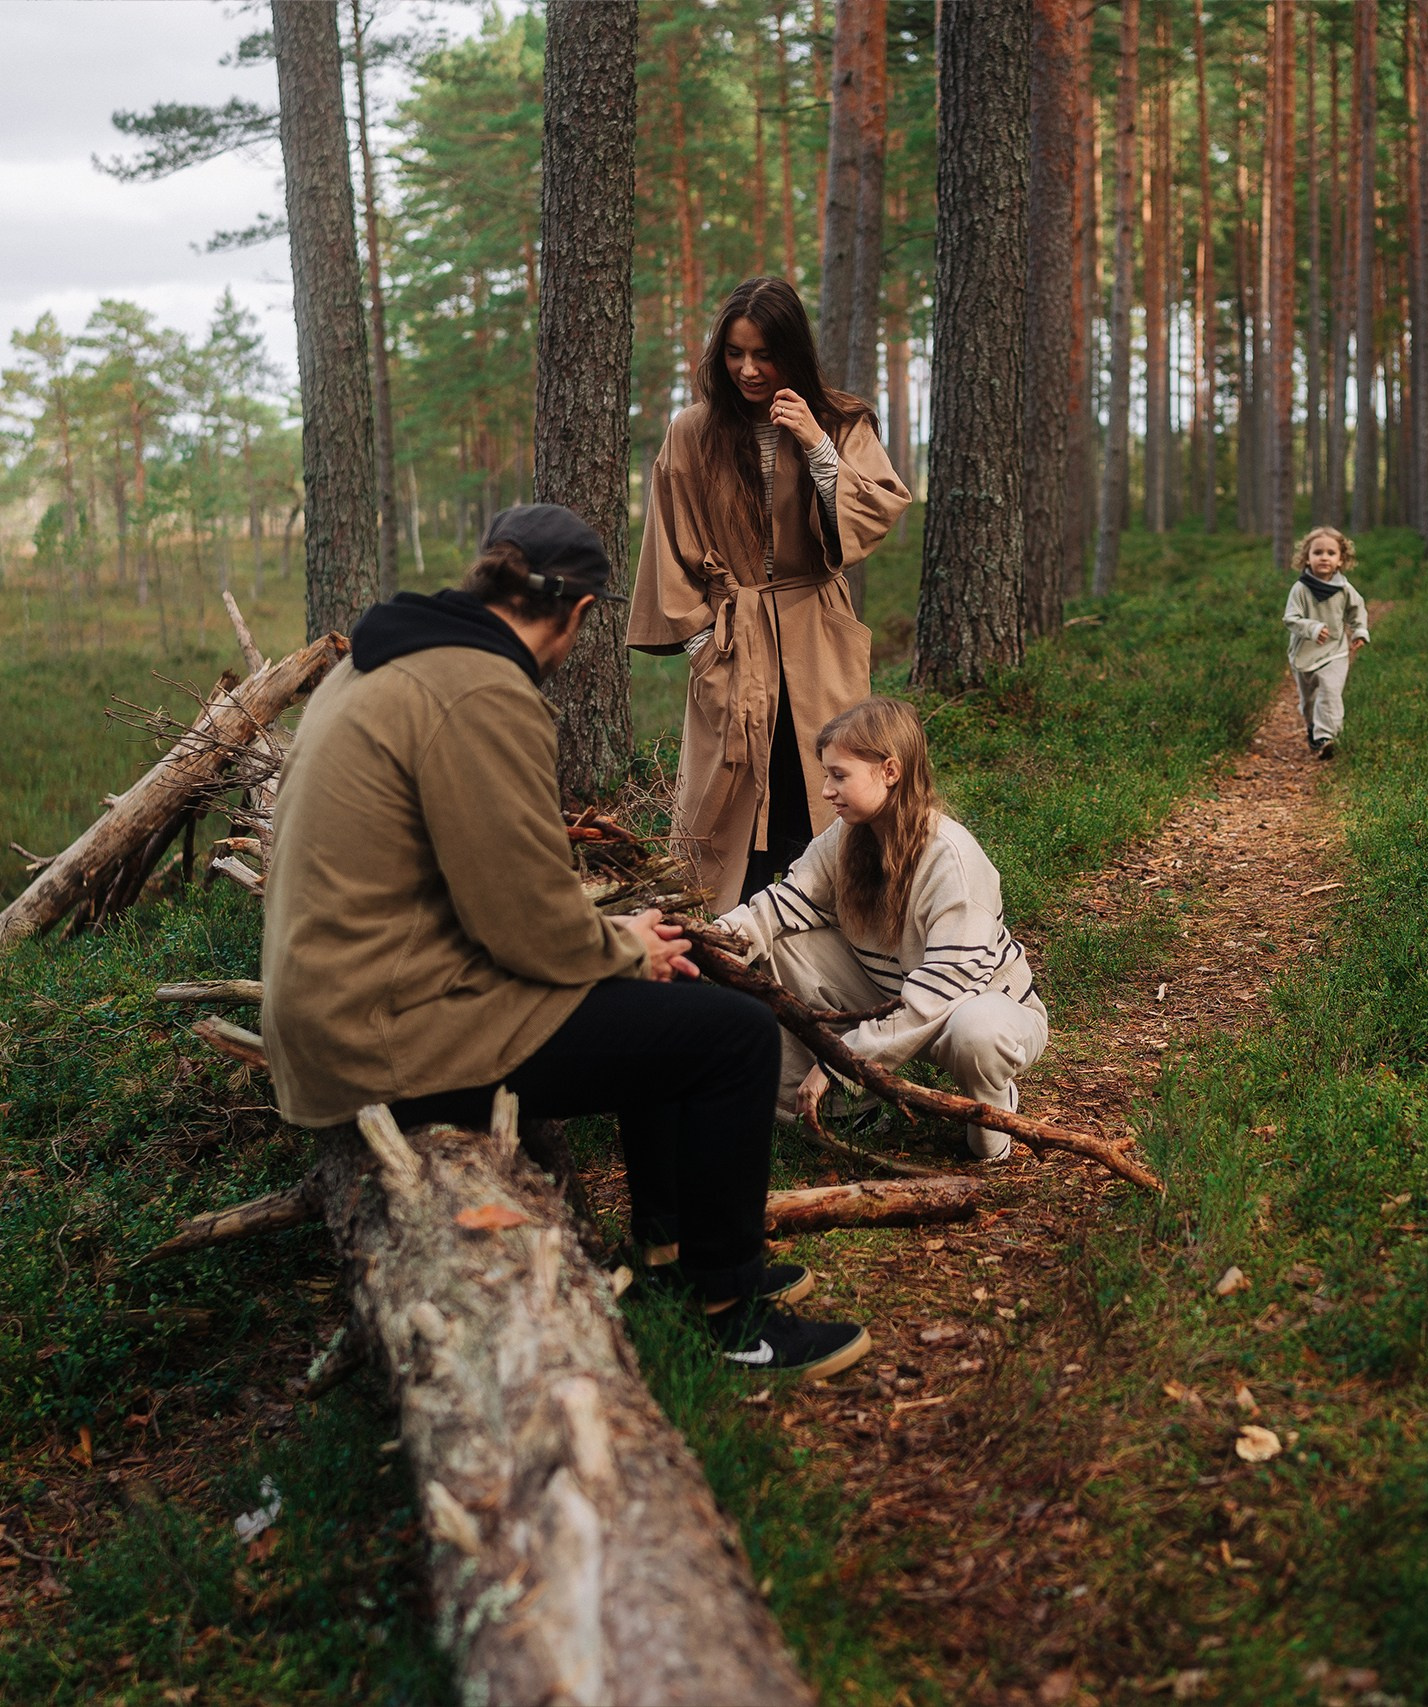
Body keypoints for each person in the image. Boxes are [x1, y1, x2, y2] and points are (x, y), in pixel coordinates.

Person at [259, 503, 870, 1381]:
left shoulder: (386, 660)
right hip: (389, 1037)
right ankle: (737, 1317)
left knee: (665, 992)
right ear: (579, 612)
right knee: (732, 1037)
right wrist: (624, 948)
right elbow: (524, 922)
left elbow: (488, 892)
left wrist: (618, 944)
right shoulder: (481, 690)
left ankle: (671, 1253)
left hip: (351, 1008)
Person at [627, 276, 913, 906]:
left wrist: (816, 444)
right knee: (733, 793)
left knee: (827, 781)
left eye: (763, 354)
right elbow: (667, 545)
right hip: (733, 639)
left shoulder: (839, 421)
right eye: (734, 353)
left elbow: (874, 514)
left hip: (818, 632)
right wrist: (702, 644)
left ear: (792, 351)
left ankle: (848, 923)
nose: (749, 370)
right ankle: (724, 933)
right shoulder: (692, 430)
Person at [713, 697, 1049, 1164]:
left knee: (978, 1033)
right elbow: (782, 904)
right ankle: (839, 1113)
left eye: (839, 775)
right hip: (892, 995)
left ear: (890, 771)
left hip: (971, 1009)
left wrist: (842, 1061)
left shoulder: (953, 860)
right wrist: (710, 943)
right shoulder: (846, 835)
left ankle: (993, 1119)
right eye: (826, 775)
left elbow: (940, 994)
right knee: (779, 946)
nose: (826, 790)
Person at [1281, 525, 1371, 759]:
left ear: (1340, 560)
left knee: (1330, 691)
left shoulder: (1344, 588)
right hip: (1304, 653)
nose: (1324, 557)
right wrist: (1312, 628)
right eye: (1317, 552)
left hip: (1335, 652)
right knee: (1309, 701)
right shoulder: (1300, 589)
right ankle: (1313, 728)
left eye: (1331, 553)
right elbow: (1290, 619)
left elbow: (1356, 609)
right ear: (1307, 558)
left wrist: (1359, 631)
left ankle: (1327, 737)